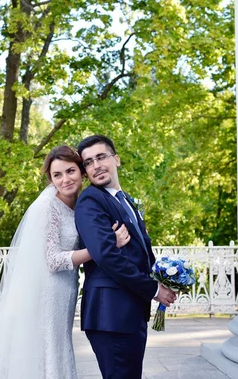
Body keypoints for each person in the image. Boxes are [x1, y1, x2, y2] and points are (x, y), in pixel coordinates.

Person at [0, 145, 130, 379]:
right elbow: (52, 260)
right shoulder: (48, 206)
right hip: (48, 290)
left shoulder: (80, 204)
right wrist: (105, 245)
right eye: (57, 175)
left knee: (59, 347)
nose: (65, 180)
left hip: (66, 289)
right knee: (50, 350)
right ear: (50, 179)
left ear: (82, 171)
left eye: (70, 171)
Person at [74, 135, 177, 379]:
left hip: (128, 311)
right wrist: (153, 289)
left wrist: (165, 279)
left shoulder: (125, 200)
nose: (96, 165)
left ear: (116, 159)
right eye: (88, 162)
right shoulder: (91, 200)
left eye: (101, 157)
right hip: (110, 313)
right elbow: (106, 255)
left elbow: (138, 251)